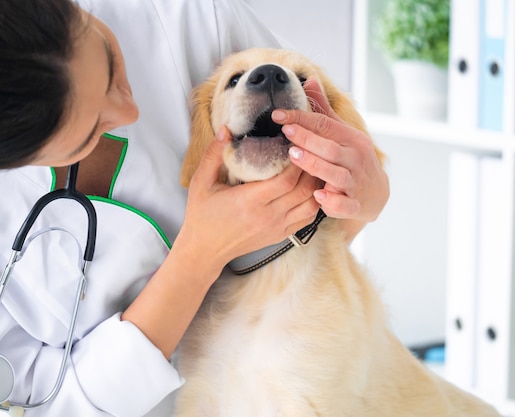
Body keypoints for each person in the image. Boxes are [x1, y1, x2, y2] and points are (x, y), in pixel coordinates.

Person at [0, 0, 389, 416]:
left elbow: (321, 218)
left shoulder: (192, 16)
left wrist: (366, 197)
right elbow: (51, 400)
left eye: (110, 60)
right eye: (92, 131)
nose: (129, 111)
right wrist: (199, 255)